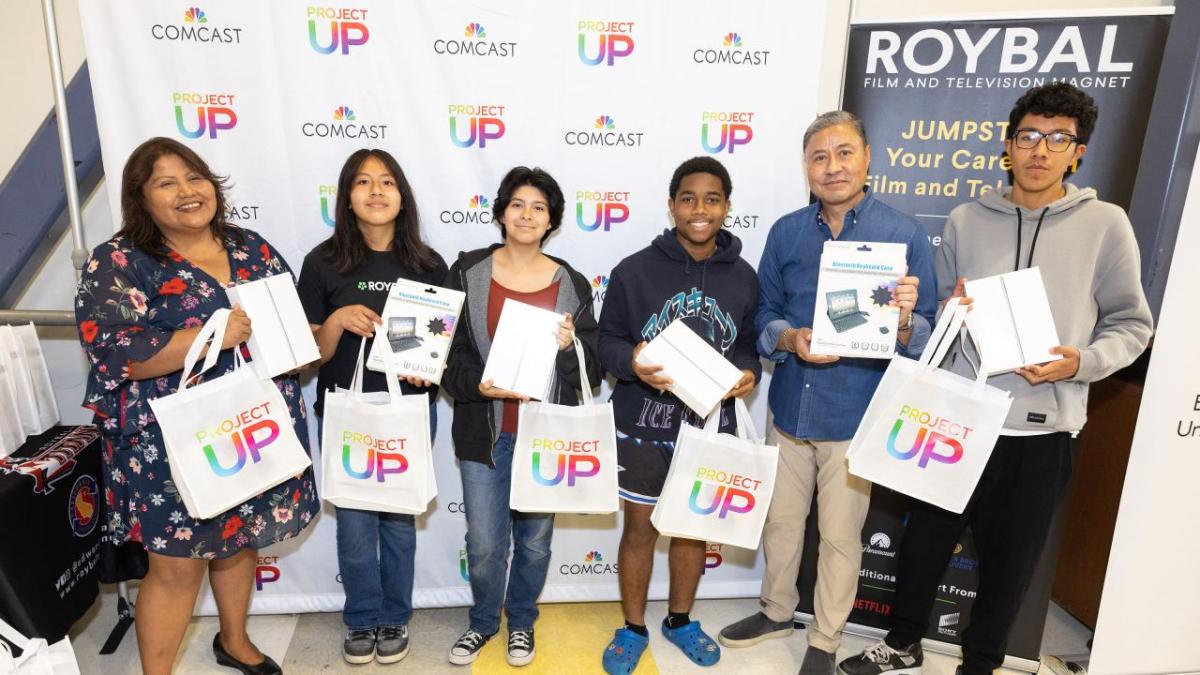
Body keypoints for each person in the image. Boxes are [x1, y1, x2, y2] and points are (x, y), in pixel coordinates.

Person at [837, 83, 1153, 675]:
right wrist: (941, 316)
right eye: (1029, 136)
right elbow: (935, 321)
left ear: (1077, 151)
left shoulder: (1106, 225)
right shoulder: (965, 219)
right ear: (1009, 144)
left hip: (1041, 430)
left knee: (1010, 565)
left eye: (1058, 139)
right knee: (923, 545)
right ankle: (902, 644)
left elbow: (1133, 325)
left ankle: (979, 664)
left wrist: (1080, 362)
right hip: (955, 418)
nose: (1041, 150)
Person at [75, 137, 318, 675]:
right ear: (141, 199)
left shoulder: (251, 247)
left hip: (254, 427)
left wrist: (330, 328)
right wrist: (210, 333)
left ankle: (234, 641)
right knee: (177, 566)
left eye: (194, 177)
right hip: (171, 440)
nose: (187, 191)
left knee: (240, 540)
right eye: (166, 182)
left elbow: (287, 327)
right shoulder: (118, 261)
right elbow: (115, 356)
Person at [719, 111, 936, 675]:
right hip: (790, 402)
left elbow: (927, 336)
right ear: (806, 168)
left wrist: (907, 319)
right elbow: (763, 313)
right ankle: (774, 610)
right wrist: (789, 337)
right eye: (819, 157)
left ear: (867, 159)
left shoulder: (904, 234)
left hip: (856, 414)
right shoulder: (787, 232)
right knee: (781, 523)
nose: (832, 167)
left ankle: (825, 637)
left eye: (843, 153)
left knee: (841, 537)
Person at [598, 156, 761, 675]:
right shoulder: (633, 270)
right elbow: (605, 342)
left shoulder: (744, 277)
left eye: (712, 199)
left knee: (692, 531)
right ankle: (632, 627)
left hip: (710, 426)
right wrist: (633, 364)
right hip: (643, 426)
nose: (699, 209)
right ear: (671, 206)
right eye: (688, 198)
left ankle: (681, 620)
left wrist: (749, 373)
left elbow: (750, 346)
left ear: (727, 207)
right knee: (640, 530)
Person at [440, 166, 601, 668]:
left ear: (551, 219)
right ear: (502, 212)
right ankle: (484, 622)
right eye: (517, 204)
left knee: (534, 543)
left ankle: (522, 623)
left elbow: (592, 368)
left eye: (539, 207)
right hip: (483, 432)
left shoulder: (570, 282)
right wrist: (476, 384)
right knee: (485, 544)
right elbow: (447, 351)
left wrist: (572, 344)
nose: (527, 215)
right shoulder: (468, 272)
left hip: (543, 438)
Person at [296, 148, 447, 665]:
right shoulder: (322, 262)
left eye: (386, 182)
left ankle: (394, 617)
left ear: (401, 195)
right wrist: (337, 321)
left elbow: (441, 349)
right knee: (356, 519)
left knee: (399, 519)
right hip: (345, 407)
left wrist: (423, 369)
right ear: (347, 197)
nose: (376, 191)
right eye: (363, 182)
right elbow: (308, 356)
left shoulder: (427, 263)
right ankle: (361, 618)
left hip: (409, 408)